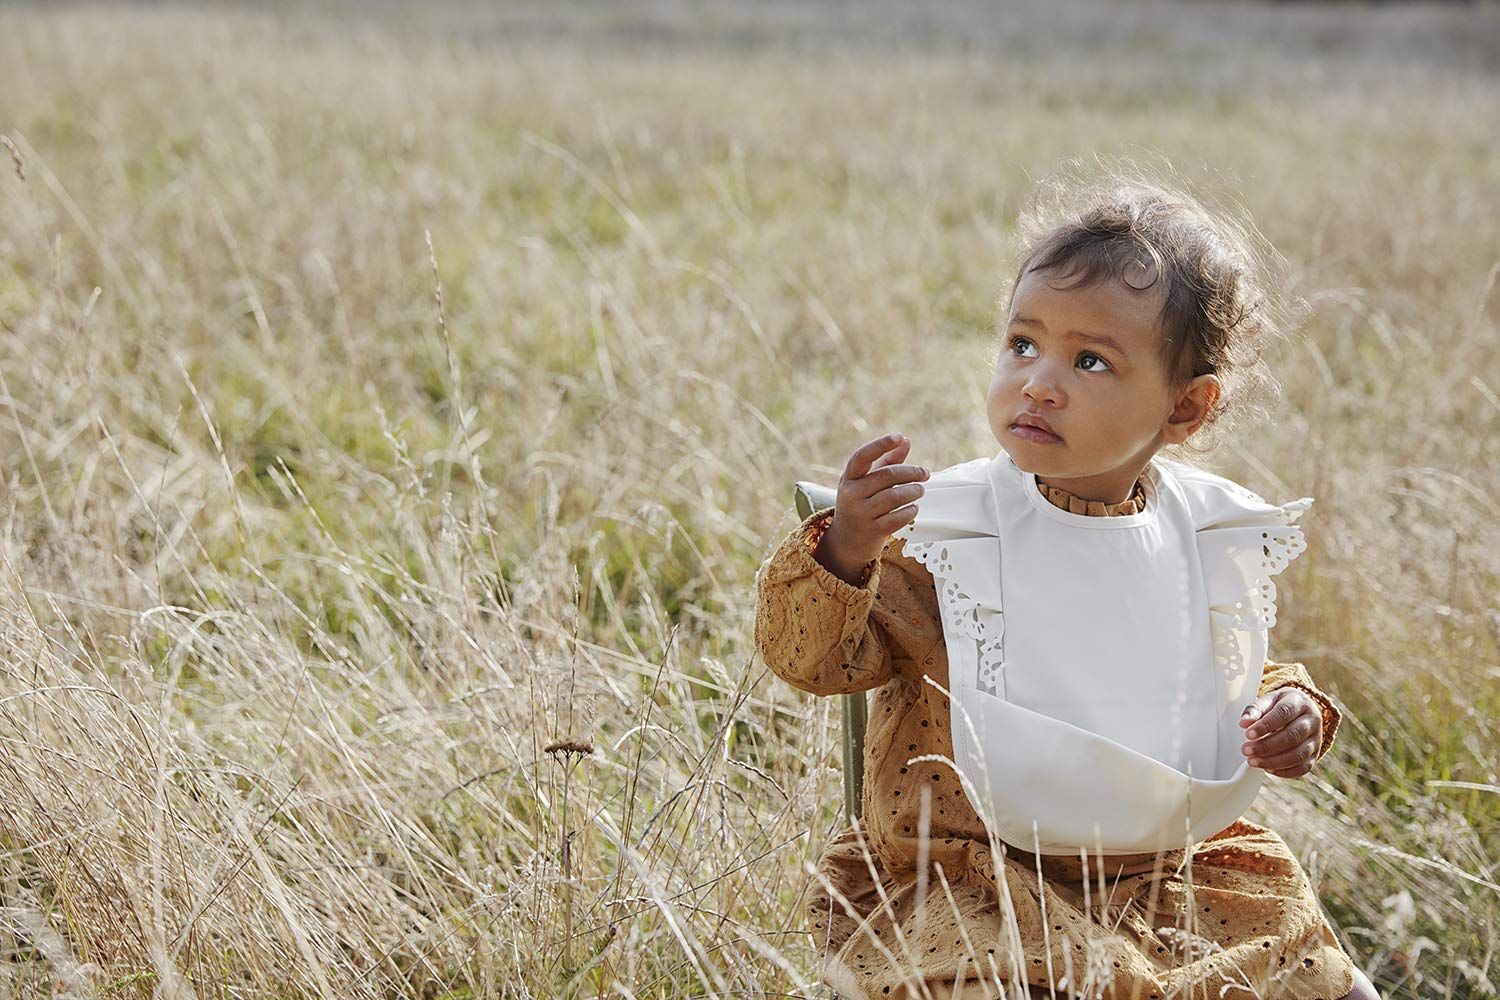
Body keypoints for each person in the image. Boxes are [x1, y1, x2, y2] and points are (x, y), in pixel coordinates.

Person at [752, 165, 1381, 1000]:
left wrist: (1291, 708)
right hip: (969, 874)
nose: (1038, 381)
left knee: (1314, 973)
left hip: (1160, 873)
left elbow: (1214, 678)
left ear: (1185, 409)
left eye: (1089, 360)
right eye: (1022, 344)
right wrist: (847, 553)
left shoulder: (1197, 531)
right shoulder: (952, 532)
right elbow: (815, 663)